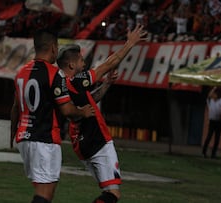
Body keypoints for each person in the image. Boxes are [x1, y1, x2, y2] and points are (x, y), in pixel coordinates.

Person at [56, 24, 147, 203]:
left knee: (108, 190)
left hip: (82, 141)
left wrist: (106, 85)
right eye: (81, 60)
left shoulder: (62, 84)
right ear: (71, 64)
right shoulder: (76, 81)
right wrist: (130, 43)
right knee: (113, 194)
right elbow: (109, 64)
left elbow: (90, 100)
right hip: (95, 139)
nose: (84, 63)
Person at [10, 29, 95, 203]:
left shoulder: (21, 72)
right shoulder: (55, 74)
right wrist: (83, 111)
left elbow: (15, 109)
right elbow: (66, 110)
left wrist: (12, 135)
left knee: (45, 192)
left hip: (24, 138)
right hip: (44, 139)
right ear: (53, 48)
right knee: (44, 193)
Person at [202, 86, 221, 159]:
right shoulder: (210, 101)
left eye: (215, 94)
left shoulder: (220, 101)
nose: (213, 95)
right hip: (212, 121)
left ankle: (213, 154)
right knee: (209, 137)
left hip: (218, 122)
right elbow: (209, 95)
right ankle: (204, 152)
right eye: (213, 94)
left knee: (217, 139)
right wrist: (215, 88)